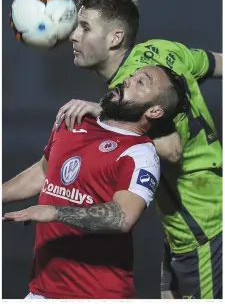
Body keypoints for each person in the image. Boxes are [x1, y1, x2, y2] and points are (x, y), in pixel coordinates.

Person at [54, 0, 222, 299]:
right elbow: (215, 64)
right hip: (189, 227)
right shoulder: (162, 50)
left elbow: (171, 148)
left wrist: (104, 116)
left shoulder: (142, 92)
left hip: (203, 229)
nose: (73, 36)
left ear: (115, 37)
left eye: (85, 28)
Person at [3, 66, 187, 299]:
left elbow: (122, 216)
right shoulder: (76, 120)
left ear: (154, 111)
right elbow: (44, 172)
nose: (128, 80)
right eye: (132, 75)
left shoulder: (140, 153)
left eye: (142, 82)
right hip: (40, 291)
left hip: (95, 294)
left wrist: (54, 211)